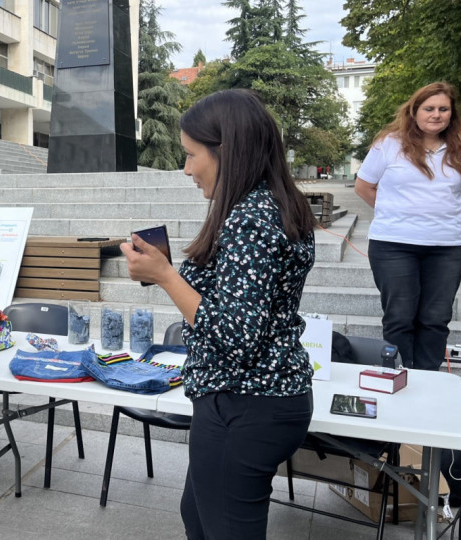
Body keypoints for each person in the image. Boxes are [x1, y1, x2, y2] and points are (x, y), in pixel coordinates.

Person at [120, 89, 316, 540]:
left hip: (245, 401)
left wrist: (167, 276)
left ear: (226, 150)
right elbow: (225, 296)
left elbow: (236, 336)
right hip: (257, 399)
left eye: (191, 155)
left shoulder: (251, 217)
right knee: (199, 517)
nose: (186, 169)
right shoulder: (267, 204)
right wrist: (163, 267)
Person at [354, 82, 461, 371]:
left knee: (435, 318)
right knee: (399, 316)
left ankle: (428, 378)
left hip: (447, 247)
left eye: (443, 109)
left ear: (452, 113)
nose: (436, 115)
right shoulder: (389, 143)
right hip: (394, 245)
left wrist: (437, 212)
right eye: (429, 108)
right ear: (414, 111)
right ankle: (401, 374)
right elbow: (364, 186)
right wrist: (397, 212)